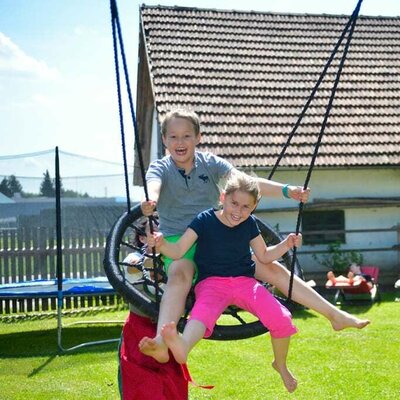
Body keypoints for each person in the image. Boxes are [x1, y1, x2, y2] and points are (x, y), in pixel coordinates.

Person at [139, 109, 369, 362]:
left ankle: (334, 315)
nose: (180, 143)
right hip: (180, 240)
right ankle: (162, 343)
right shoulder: (160, 167)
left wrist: (287, 190)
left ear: (198, 138)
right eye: (173, 137)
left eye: (186, 136)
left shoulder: (211, 164)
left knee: (274, 269)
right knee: (179, 276)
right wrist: (151, 199)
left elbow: (247, 183)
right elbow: (154, 185)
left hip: (219, 237)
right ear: (164, 140)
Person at [143, 173, 301, 392]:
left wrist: (286, 244)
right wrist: (160, 245)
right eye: (234, 203)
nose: (238, 211)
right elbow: (178, 250)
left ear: (254, 207)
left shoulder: (249, 224)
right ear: (223, 197)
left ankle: (281, 365)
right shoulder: (205, 220)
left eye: (246, 207)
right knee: (202, 314)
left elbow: (264, 256)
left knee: (281, 317)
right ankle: (183, 346)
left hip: (246, 283)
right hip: (212, 284)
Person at [118, 217, 187, 400]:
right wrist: (149, 261)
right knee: (140, 379)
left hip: (166, 329)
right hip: (139, 327)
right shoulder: (134, 258)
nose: (159, 233)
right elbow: (133, 269)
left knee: (172, 380)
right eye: (153, 230)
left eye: (162, 229)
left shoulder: (176, 264)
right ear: (142, 238)